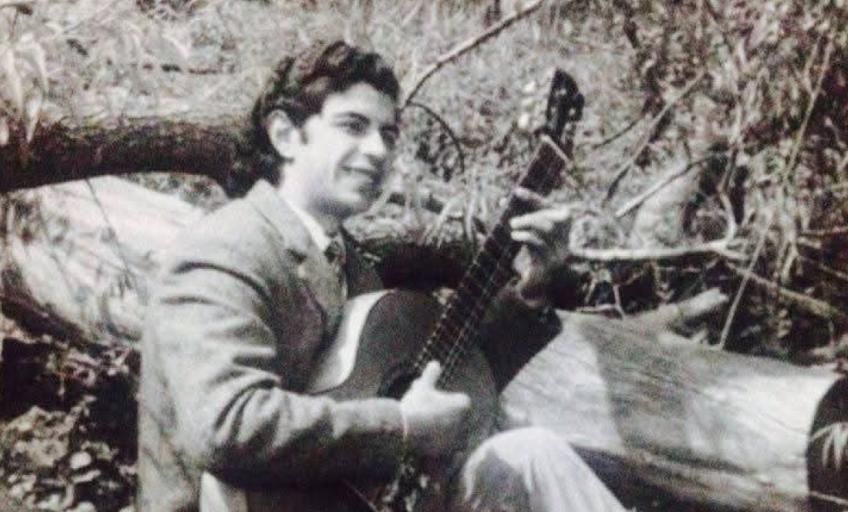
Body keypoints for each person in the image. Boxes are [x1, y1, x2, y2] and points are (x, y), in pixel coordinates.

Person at [137, 40, 626, 512]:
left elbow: (453, 381)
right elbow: (225, 426)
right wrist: (403, 426)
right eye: (353, 126)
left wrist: (533, 287)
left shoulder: (350, 265)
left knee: (531, 456)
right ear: (285, 134)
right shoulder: (226, 248)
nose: (377, 150)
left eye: (388, 135)